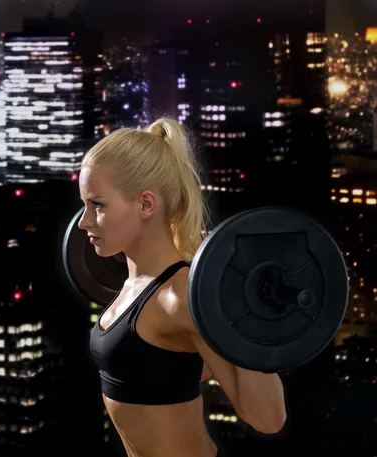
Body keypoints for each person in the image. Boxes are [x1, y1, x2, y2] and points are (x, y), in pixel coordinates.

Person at [78, 118, 287, 457]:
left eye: (98, 205)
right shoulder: (135, 285)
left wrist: (246, 314)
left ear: (146, 204)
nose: (84, 221)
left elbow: (268, 418)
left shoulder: (184, 296)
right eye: (84, 205)